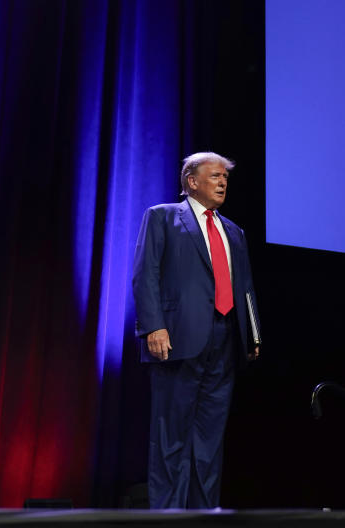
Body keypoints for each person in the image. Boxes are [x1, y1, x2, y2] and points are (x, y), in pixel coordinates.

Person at [133, 152, 261, 509]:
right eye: (215, 176)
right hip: (177, 338)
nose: (222, 183)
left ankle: (205, 516)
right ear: (191, 180)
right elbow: (146, 275)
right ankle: (168, 517)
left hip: (225, 342)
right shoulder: (162, 217)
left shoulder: (234, 231)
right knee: (171, 438)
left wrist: (252, 334)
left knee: (209, 442)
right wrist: (153, 327)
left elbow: (245, 287)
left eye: (225, 178)